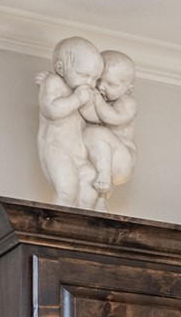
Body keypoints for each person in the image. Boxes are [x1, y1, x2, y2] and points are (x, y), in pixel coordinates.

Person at [35, 37, 102, 208]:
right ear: (60, 68)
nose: (90, 83)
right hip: (58, 149)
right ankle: (55, 225)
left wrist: (89, 102)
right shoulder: (54, 82)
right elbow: (51, 110)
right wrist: (78, 98)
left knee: (90, 188)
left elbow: (96, 119)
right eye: (84, 75)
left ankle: (86, 227)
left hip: (81, 156)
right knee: (67, 191)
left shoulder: (86, 93)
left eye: (95, 79)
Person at [82, 50, 137, 201]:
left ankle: (104, 174)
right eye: (99, 80)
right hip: (106, 154)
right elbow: (88, 114)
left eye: (111, 84)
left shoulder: (127, 103)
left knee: (94, 133)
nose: (101, 87)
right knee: (89, 134)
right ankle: (101, 201)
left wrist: (96, 98)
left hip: (122, 160)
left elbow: (111, 117)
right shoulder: (103, 103)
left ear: (128, 89)